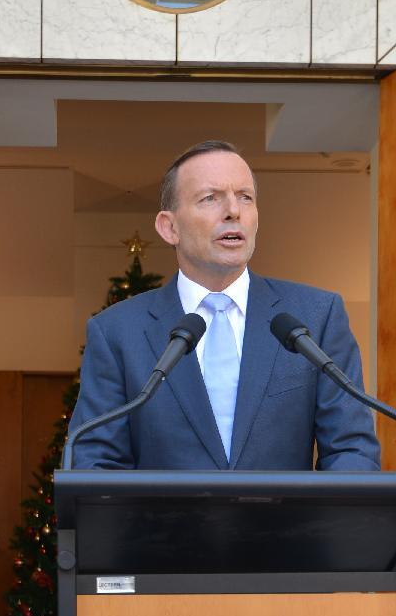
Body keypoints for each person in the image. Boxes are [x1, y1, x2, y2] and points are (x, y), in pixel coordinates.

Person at [68, 140, 380, 471]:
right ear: (169, 227)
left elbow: (351, 450)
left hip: (288, 524)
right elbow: (96, 463)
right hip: (162, 524)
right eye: (210, 198)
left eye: (245, 197)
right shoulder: (117, 332)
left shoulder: (316, 316)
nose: (234, 211)